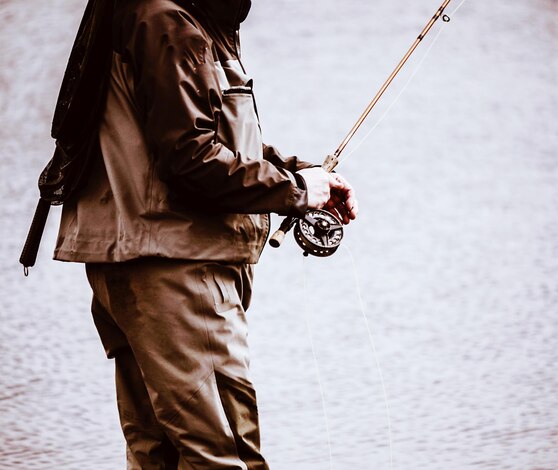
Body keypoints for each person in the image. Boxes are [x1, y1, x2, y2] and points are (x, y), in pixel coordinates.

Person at [51, 0, 358, 468]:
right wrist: (294, 190)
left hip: (143, 264)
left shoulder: (167, 13)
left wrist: (298, 173)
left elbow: (202, 135)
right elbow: (189, 156)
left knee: (160, 455)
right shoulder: (166, 19)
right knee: (224, 455)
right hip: (175, 270)